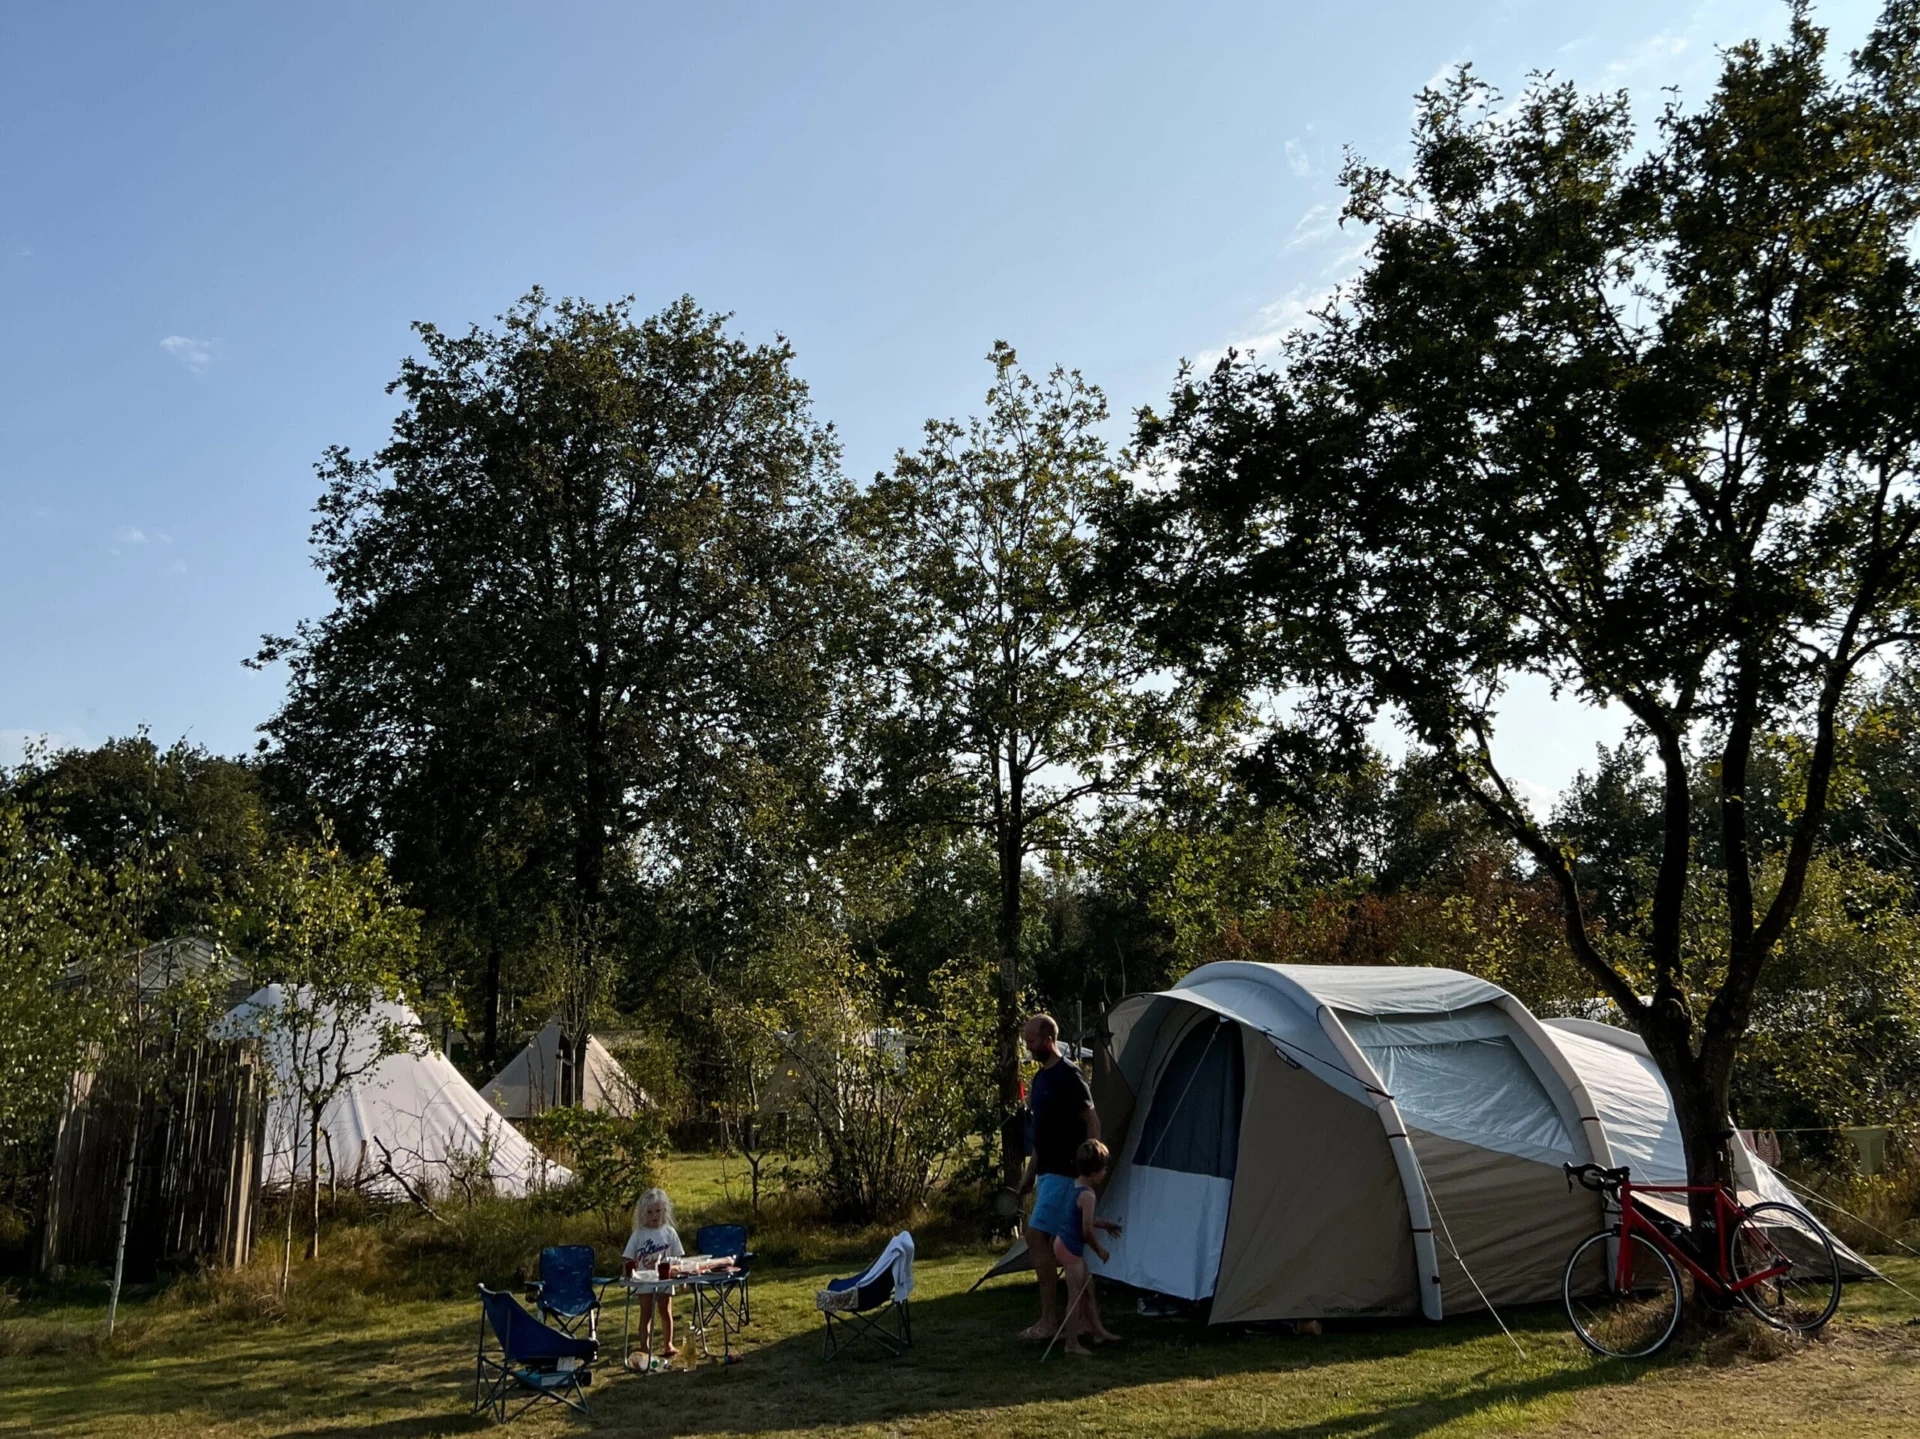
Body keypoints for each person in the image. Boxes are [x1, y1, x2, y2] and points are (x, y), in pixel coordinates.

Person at [1017, 1012, 1100, 1342]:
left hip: (1067, 1171)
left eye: (1032, 1041)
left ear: (1048, 1040)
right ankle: (1081, 1322)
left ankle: (1050, 1320)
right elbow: (1041, 1135)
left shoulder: (1069, 1075)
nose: (1028, 1046)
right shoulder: (1039, 1080)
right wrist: (1028, 1175)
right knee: (1060, 1245)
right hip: (1047, 1171)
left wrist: (1092, 1163)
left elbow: (1091, 1118)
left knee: (1037, 1238)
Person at [1052, 1139, 1122, 1355]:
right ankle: (1071, 1344)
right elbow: (1086, 1231)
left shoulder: (1076, 1186)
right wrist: (1100, 1250)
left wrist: (1106, 1224)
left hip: (1063, 1243)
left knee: (1087, 1290)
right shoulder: (1088, 1196)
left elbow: (1085, 1220)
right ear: (1094, 1171)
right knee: (1075, 1297)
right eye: (1104, 1169)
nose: (1105, 1173)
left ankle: (1097, 1332)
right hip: (1071, 1250)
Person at [622, 1186, 684, 1362]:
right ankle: (644, 1345)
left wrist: (680, 1276)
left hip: (665, 1278)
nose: (654, 1216)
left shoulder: (669, 1232)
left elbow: (679, 1257)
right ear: (642, 1214)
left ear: (664, 1211)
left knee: (666, 1311)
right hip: (644, 1280)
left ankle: (668, 1344)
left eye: (658, 1211)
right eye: (650, 1212)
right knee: (646, 1312)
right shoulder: (639, 1234)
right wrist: (628, 1271)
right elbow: (627, 1257)